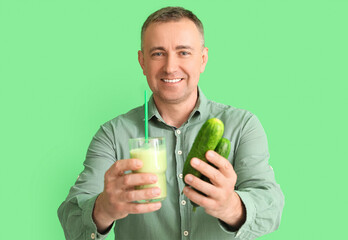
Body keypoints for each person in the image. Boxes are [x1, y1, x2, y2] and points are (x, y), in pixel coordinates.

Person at [58, 6, 284, 240]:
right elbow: (70, 222)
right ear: (142, 61)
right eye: (158, 53)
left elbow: (272, 208)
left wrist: (232, 207)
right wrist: (103, 209)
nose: (170, 67)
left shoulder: (242, 125)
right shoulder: (113, 134)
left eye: (183, 52)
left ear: (203, 59)